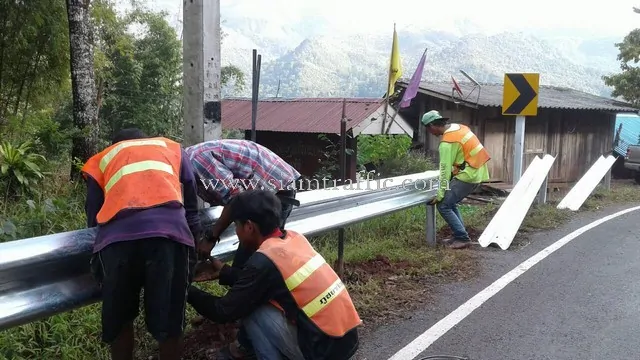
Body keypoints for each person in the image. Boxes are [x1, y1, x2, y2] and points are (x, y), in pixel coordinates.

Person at [187, 190, 361, 360]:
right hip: (344, 340)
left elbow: (224, 310)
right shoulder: (293, 239)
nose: (237, 232)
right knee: (253, 298)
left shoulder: (264, 260)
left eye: (236, 226)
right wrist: (225, 271)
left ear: (249, 227)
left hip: (322, 352)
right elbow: (265, 281)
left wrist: (186, 290)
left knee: (251, 307)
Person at [82, 128, 202, 360]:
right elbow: (192, 210)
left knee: (120, 320)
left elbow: (93, 217)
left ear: (116, 144)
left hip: (117, 244)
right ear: (146, 139)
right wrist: (194, 246)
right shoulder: (173, 148)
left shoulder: (102, 158)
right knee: (169, 322)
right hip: (170, 238)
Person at [185, 139, 301, 273]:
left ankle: (250, 290)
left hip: (275, 188)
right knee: (249, 260)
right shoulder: (188, 162)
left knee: (254, 258)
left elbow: (236, 199)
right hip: (259, 191)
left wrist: (211, 238)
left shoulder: (197, 162)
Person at [422, 110, 491, 249]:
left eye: (428, 129)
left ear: (432, 126)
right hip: (476, 170)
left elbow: (444, 170)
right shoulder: (460, 128)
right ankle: (459, 234)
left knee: (443, 205)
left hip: (468, 175)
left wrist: (440, 194)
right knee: (451, 203)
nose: (430, 133)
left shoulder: (447, 142)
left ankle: (462, 237)